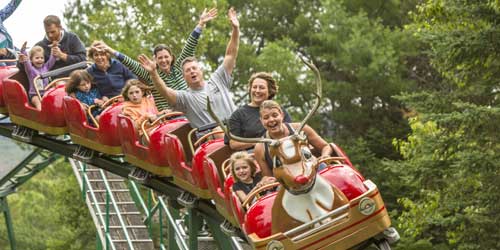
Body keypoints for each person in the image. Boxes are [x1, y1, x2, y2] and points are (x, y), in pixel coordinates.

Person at [92, 8, 218, 112]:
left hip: (190, 109)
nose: (163, 60)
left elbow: (189, 45)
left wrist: (200, 24)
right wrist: (110, 50)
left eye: (166, 57)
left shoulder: (180, 67)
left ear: (171, 58)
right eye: (160, 58)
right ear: (155, 60)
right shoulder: (151, 75)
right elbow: (131, 63)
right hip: (170, 115)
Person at [138, 7, 239, 131]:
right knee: (218, 131)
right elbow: (165, 91)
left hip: (238, 129)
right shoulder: (185, 97)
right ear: (184, 77)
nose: (192, 71)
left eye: (194, 68)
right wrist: (153, 73)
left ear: (201, 70)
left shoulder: (217, 79)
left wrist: (235, 29)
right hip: (213, 140)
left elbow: (230, 55)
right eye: (187, 70)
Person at [254, 100, 333, 177]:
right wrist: (267, 180)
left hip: (313, 170)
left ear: (282, 114)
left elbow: (326, 146)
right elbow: (268, 177)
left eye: (275, 115)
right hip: (288, 182)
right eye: (266, 118)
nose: (271, 120)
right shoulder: (260, 148)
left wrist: (325, 155)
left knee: (325, 170)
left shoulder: (301, 128)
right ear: (261, 121)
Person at [226, 72, 292, 151]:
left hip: (281, 149)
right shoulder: (238, 115)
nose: (257, 91)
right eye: (254, 87)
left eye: (261, 88)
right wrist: (261, 141)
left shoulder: (279, 110)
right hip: (252, 155)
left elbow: (290, 132)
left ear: (270, 91)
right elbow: (233, 144)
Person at [18, 45, 56, 110]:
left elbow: (52, 60)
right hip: (34, 94)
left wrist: (53, 52)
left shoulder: (46, 67)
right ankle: (41, 115)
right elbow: (26, 61)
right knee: (39, 103)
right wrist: (23, 51)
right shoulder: (30, 70)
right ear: (31, 60)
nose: (40, 60)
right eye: (37, 58)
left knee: (53, 101)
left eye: (42, 58)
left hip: (45, 93)